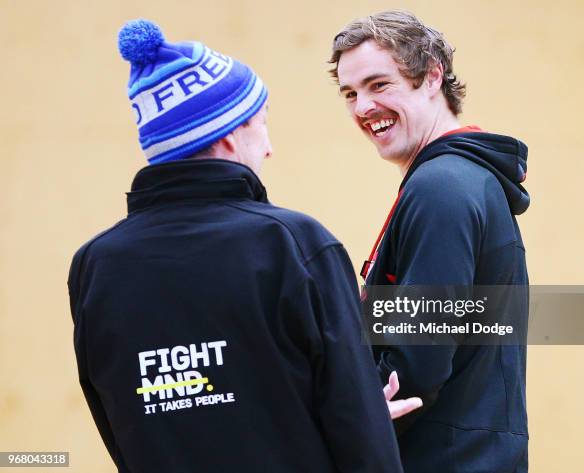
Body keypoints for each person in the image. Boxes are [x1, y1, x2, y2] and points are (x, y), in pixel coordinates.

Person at [68, 19, 419, 473]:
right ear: (229, 133)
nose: (268, 148)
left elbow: (117, 421)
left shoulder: (95, 266)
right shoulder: (292, 244)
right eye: (261, 123)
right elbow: (356, 428)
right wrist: (365, 425)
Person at [329, 10, 530, 473]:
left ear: (433, 76)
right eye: (350, 93)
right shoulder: (462, 180)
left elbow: (414, 365)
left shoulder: (442, 187)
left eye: (379, 85)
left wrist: (333, 437)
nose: (362, 108)